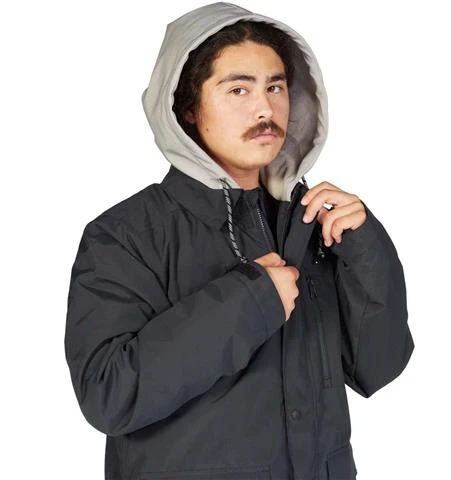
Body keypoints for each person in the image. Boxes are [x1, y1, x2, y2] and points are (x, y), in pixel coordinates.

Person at [64, 2, 414, 479]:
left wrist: (366, 252)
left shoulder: (314, 223)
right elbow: (108, 394)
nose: (265, 109)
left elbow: (377, 368)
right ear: (188, 106)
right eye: (238, 89)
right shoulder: (125, 234)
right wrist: (249, 300)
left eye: (275, 87)